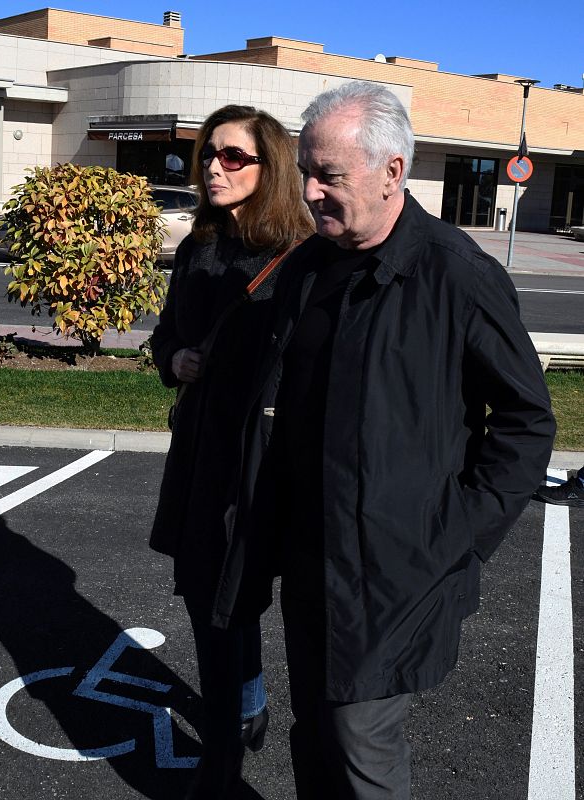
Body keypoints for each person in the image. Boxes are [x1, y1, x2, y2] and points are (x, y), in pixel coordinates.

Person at [230, 81, 556, 799]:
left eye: (329, 176)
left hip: (395, 572)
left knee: (359, 740)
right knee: (313, 729)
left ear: (392, 172)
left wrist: (458, 535)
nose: (310, 191)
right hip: (309, 558)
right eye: (306, 172)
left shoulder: (456, 275)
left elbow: (528, 422)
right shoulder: (309, 267)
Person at [149, 104, 313, 799]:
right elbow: (164, 334)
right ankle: (241, 710)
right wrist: (176, 356)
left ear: (268, 165)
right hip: (199, 455)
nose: (214, 167)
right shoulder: (197, 247)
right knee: (210, 602)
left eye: (234, 156)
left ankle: (222, 766)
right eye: (208, 154)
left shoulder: (301, 256)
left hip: (266, 465)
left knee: (232, 602)